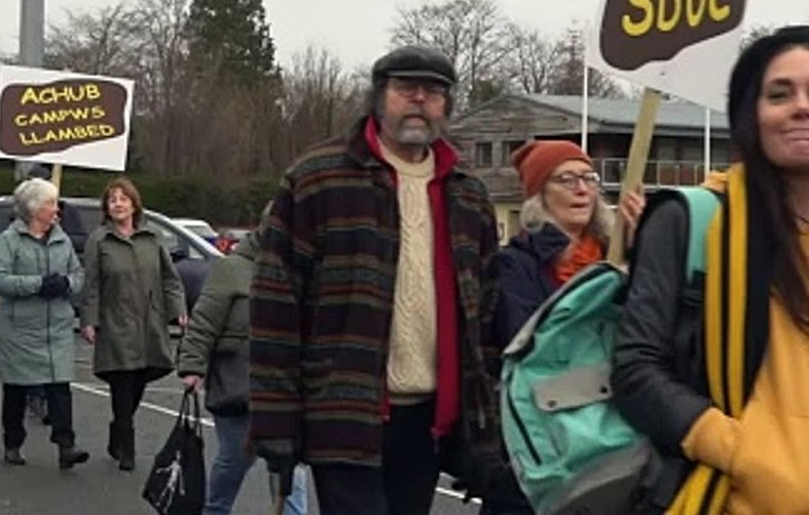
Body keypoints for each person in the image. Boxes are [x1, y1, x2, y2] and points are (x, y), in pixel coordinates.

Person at [249, 45, 506, 515]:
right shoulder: (317, 179)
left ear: (446, 105)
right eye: (406, 89)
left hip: (430, 419)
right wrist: (274, 421)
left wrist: (483, 429)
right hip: (343, 409)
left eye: (433, 93)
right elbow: (275, 307)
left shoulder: (469, 193)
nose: (419, 101)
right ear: (378, 97)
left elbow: (484, 319)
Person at [613, 26, 809, 514]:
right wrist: (739, 451)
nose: (801, 106)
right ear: (750, 115)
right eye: (779, 94)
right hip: (727, 499)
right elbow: (635, 368)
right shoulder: (691, 219)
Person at [178, 222, 309, 514]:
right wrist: (192, 366)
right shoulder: (231, 269)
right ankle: (215, 510)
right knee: (235, 461)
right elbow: (204, 322)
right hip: (237, 385)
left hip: (286, 388)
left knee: (290, 470)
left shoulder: (301, 272)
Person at [80, 177, 187, 472]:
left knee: (143, 378)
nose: (117, 204)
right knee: (122, 384)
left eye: (123, 199)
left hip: (149, 323)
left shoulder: (152, 239)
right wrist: (88, 320)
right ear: (106, 207)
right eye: (112, 200)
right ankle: (127, 447)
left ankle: (118, 428)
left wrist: (178, 310)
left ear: (134, 204)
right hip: (115, 322)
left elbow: (170, 278)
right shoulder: (99, 241)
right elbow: (91, 284)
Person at [492, 141, 645, 345]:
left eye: (589, 178)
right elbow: (525, 341)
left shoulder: (615, 253)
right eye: (567, 180)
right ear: (540, 195)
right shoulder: (517, 264)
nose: (582, 189)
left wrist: (642, 249)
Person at [0, 177, 89, 469]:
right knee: (17, 390)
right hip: (20, 328)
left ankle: (66, 445)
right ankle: (13, 442)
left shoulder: (62, 239)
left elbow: (79, 275)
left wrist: (66, 284)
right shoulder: (10, 240)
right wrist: (38, 284)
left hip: (56, 327)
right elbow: (0, 279)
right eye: (50, 203)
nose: (56, 209)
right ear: (34, 208)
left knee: (60, 388)